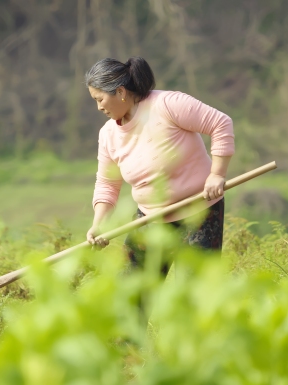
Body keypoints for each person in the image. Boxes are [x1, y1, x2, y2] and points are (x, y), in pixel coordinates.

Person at [84, 56, 235, 276]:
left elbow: (220, 123)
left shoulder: (167, 104)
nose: (98, 108)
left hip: (199, 214)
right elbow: (107, 183)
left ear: (120, 92)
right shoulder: (108, 134)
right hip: (150, 219)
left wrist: (217, 174)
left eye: (100, 99)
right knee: (132, 294)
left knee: (193, 298)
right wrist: (99, 224)